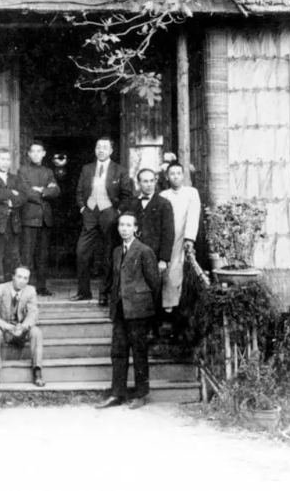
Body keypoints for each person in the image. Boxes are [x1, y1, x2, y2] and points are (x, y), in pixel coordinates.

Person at [96, 212, 160, 410]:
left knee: (139, 352)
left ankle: (141, 394)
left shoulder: (144, 251)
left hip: (139, 311)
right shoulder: (117, 251)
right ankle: (118, 393)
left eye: (128, 225)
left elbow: (154, 283)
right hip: (120, 310)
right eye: (121, 225)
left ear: (135, 228)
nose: (124, 229)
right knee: (118, 352)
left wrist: (148, 308)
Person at [70, 136, 133, 305]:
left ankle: (105, 294)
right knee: (82, 253)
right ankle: (84, 292)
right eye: (98, 147)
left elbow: (127, 196)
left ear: (111, 150)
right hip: (90, 214)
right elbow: (79, 192)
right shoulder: (87, 169)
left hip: (109, 215)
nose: (101, 150)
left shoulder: (119, 170)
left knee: (108, 256)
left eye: (105, 147)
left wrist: (117, 213)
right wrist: (83, 208)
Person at [129, 168, 175, 335]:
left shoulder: (164, 204)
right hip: (135, 255)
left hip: (154, 256)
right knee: (135, 290)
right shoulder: (132, 204)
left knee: (153, 291)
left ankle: (152, 329)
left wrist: (164, 259)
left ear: (155, 182)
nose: (149, 185)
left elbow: (168, 233)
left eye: (151, 181)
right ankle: (137, 328)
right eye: (145, 181)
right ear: (139, 183)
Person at [0, 266, 45, 388]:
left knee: (36, 332)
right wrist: (8, 327)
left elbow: (32, 314)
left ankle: (37, 371)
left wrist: (23, 327)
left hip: (20, 330)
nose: (22, 281)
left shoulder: (30, 291)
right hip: (3, 330)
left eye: (25, 278)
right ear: (13, 277)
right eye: (19, 277)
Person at [0, 149, 28, 297]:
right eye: (2, 159)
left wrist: (11, 200)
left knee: (11, 264)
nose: (5, 162)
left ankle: (10, 298)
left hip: (12, 227)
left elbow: (23, 196)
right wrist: (11, 193)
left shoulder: (16, 179)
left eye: (8, 159)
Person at [19, 141, 60, 296]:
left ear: (44, 154)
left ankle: (41, 287)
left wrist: (41, 191)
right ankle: (26, 288)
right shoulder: (23, 170)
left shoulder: (48, 171)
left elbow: (56, 190)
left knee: (43, 256)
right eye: (33, 151)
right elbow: (26, 192)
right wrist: (44, 193)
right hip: (29, 218)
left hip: (44, 219)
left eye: (39, 151)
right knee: (27, 255)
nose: (36, 154)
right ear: (29, 154)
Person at [160, 163, 201, 313]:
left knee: (182, 266)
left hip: (185, 233)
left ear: (183, 176)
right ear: (167, 177)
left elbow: (193, 215)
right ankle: (169, 302)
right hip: (168, 235)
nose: (175, 177)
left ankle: (181, 304)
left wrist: (189, 238)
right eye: (172, 174)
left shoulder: (191, 193)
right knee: (169, 267)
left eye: (178, 173)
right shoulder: (163, 195)